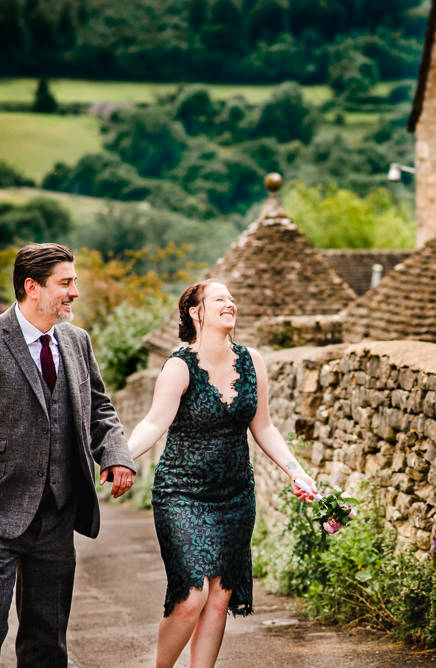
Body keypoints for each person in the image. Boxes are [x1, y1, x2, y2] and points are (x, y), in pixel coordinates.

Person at [0, 243, 137, 668]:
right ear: (32, 287)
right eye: (65, 283)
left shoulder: (77, 340)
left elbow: (99, 406)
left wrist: (116, 455)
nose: (75, 292)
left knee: (48, 634)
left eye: (74, 282)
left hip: (57, 514)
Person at [126, 278, 318, 668]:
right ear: (197, 312)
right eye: (219, 299)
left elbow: (263, 426)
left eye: (231, 298)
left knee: (219, 596)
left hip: (234, 495)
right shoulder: (180, 367)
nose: (230, 304)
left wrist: (296, 472)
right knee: (191, 595)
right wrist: (120, 457)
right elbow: (152, 423)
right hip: (182, 493)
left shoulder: (252, 361)